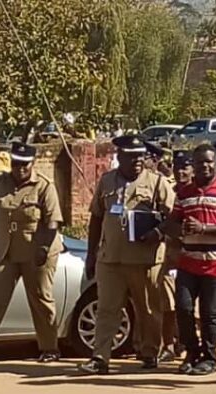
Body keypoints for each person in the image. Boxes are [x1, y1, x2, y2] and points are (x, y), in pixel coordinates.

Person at [79, 135, 175, 374]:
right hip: (111, 258)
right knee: (106, 309)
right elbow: (96, 218)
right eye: (131, 157)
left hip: (145, 260)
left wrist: (158, 232)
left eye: (140, 156)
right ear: (119, 157)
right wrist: (91, 254)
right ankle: (100, 357)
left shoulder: (157, 182)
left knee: (148, 310)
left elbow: (175, 216)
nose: (137, 161)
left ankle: (150, 353)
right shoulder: (107, 181)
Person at [0, 144, 63, 366]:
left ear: (33, 163)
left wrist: (43, 249)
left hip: (36, 250)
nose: (20, 169)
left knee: (41, 298)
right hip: (4, 250)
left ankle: (49, 348)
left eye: (25, 164)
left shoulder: (44, 186)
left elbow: (52, 222)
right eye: (16, 164)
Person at [162, 145, 216, 375]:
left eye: (209, 162)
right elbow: (171, 223)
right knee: (183, 308)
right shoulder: (184, 193)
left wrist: (204, 228)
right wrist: (181, 229)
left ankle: (209, 357)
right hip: (188, 260)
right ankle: (192, 351)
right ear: (194, 165)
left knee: (210, 312)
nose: (205, 166)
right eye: (200, 162)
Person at [155, 150, 193, 363]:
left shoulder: (197, 193)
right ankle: (168, 345)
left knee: (189, 306)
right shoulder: (168, 191)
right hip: (170, 256)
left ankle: (188, 343)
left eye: (185, 167)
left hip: (193, 256)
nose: (181, 172)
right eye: (177, 167)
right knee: (168, 304)